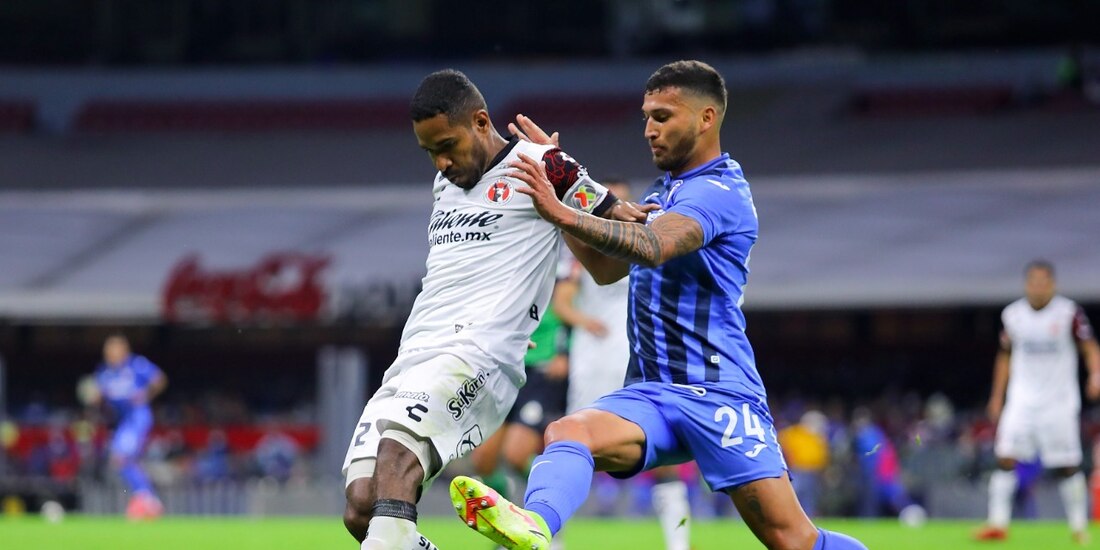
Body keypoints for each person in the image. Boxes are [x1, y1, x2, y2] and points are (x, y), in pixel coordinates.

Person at [450, 60, 867, 550]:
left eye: (663, 117)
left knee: (793, 541)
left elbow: (653, 246)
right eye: (647, 116)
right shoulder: (664, 193)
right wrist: (561, 188)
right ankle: (536, 527)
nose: (649, 129)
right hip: (653, 394)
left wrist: (562, 205)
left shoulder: (720, 191)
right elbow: (607, 269)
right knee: (568, 431)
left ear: (706, 118)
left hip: (718, 394)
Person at [340, 69, 650, 550]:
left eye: (447, 144)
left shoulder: (545, 165)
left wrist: (564, 205)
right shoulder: (446, 184)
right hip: (416, 352)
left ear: (482, 122)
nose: (441, 162)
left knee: (397, 459)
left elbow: (616, 263)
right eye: (429, 152)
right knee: (363, 505)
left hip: (478, 352)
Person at [553, 177, 693, 550]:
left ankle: (677, 543)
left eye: (621, 199)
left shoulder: (649, 240)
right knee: (573, 442)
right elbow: (563, 301)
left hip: (638, 352)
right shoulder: (581, 251)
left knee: (660, 446)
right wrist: (586, 322)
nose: (617, 206)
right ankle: (552, 535)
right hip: (593, 358)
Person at [976, 260, 1100, 543]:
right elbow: (1004, 356)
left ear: (1052, 284)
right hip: (1021, 400)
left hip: (1058, 401)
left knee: (1066, 464)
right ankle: (997, 524)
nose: (1038, 287)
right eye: (1033, 281)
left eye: (1044, 282)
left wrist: (1095, 374)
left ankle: (1079, 527)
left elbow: (1090, 346)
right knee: (1005, 456)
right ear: (1027, 284)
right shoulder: (1013, 315)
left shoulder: (1069, 313)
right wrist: (997, 396)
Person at [470, 303, 569, 510]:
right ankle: (504, 513)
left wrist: (563, 351)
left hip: (539, 373)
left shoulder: (551, 278)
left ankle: (551, 503)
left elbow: (565, 306)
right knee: (482, 460)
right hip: (503, 371)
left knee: (517, 455)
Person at [88, 334, 167, 520]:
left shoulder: (136, 365)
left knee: (121, 458)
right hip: (123, 422)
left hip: (138, 418)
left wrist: (145, 394)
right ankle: (147, 499)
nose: (109, 354)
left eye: (113, 350)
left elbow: (159, 379)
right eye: (107, 351)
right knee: (121, 460)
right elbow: (98, 394)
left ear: (123, 351)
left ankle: (147, 499)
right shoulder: (105, 372)